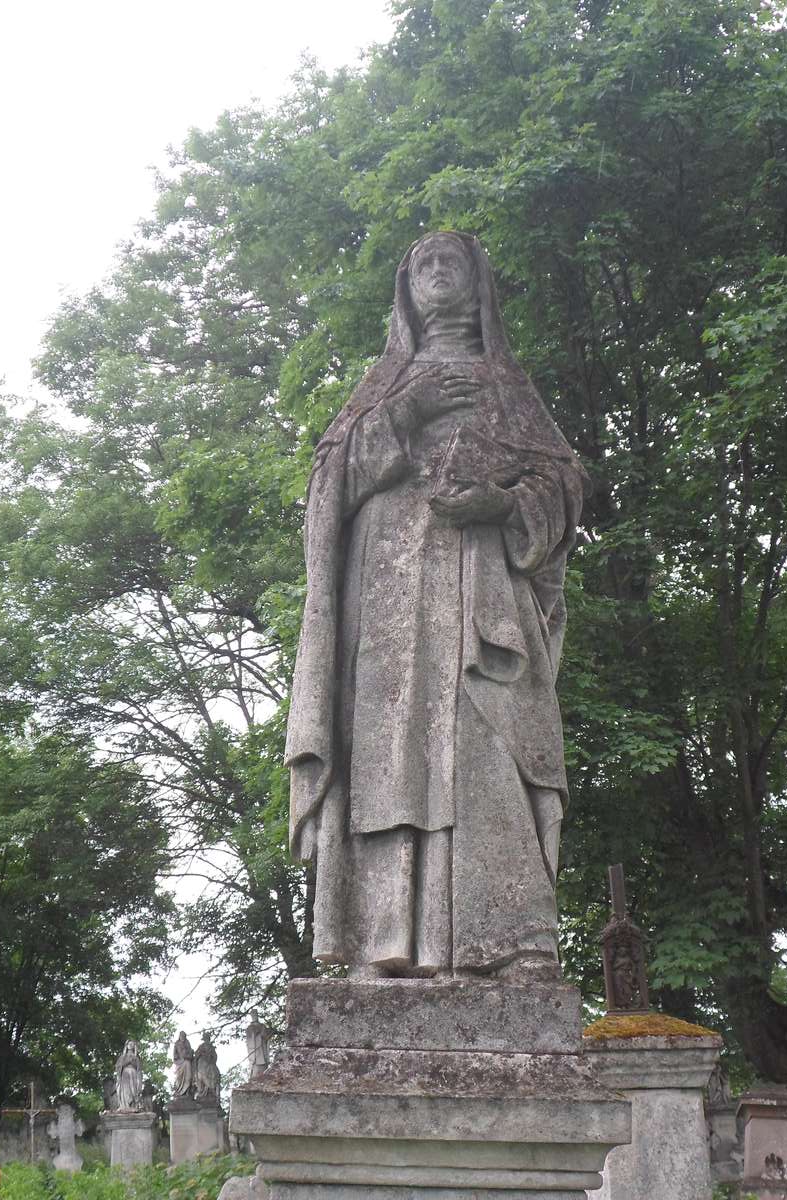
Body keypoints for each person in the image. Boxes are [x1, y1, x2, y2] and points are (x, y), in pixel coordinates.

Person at [286, 231, 585, 980]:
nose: (437, 271)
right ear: (405, 289)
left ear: (479, 282)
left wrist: (502, 504)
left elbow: (565, 488)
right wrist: (404, 413)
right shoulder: (382, 385)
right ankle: (380, 937)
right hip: (386, 595)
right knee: (391, 753)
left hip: (480, 587)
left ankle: (509, 938)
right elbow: (328, 490)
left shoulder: (507, 385)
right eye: (422, 263)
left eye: (451, 261)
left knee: (486, 746)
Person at [114, 1040, 142, 1111]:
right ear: (126, 1046)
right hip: (125, 1074)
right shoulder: (122, 1057)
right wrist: (127, 1062)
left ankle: (133, 1105)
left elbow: (139, 1069)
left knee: (133, 1090)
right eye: (129, 1044)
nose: (130, 1045)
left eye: (132, 1044)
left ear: (134, 1047)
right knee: (126, 1090)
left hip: (133, 1074)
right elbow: (118, 1067)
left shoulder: (136, 1058)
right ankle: (125, 1106)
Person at [194, 1031, 220, 1101]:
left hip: (210, 1064)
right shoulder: (201, 1046)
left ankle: (212, 1089)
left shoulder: (211, 1047)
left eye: (207, 1038)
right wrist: (202, 1055)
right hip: (202, 1064)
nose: (206, 1040)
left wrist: (211, 1058)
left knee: (214, 1072)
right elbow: (196, 1056)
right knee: (203, 1073)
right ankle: (204, 1089)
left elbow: (215, 1057)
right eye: (205, 1038)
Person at [245, 1011, 270, 1079]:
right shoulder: (250, 1028)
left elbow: (266, 1038)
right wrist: (257, 1035)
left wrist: (263, 1036)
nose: (254, 1016)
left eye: (255, 1014)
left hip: (262, 1050)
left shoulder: (262, 1026)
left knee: (264, 1071)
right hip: (255, 1054)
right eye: (253, 1015)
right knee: (255, 1074)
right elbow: (249, 1041)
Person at [172, 1031, 194, 1097]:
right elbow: (174, 1054)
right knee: (179, 1078)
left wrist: (188, 1055)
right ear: (179, 1036)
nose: (182, 1037)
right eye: (181, 1036)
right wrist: (177, 1057)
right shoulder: (177, 1043)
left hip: (186, 1061)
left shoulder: (187, 1043)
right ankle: (179, 1090)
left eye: (184, 1036)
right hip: (179, 1063)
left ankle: (186, 1091)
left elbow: (190, 1053)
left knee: (188, 1076)